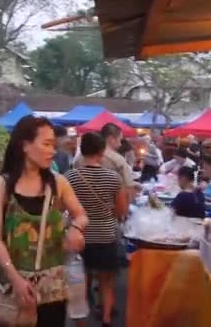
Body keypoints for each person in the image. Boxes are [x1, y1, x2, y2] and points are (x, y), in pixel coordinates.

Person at [0, 115, 88, 327]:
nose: (53, 151)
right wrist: (15, 278)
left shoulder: (58, 183)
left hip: (52, 290)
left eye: (54, 145)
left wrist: (77, 228)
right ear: (25, 145)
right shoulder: (0, 185)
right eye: (47, 144)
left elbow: (81, 214)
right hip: (14, 288)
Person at [66, 132, 128, 327]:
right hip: (106, 235)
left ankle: (81, 322)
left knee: (80, 281)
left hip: (80, 235)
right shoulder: (113, 177)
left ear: (82, 150)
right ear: (102, 151)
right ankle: (107, 318)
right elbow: (121, 210)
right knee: (106, 281)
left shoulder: (71, 177)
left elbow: (65, 207)